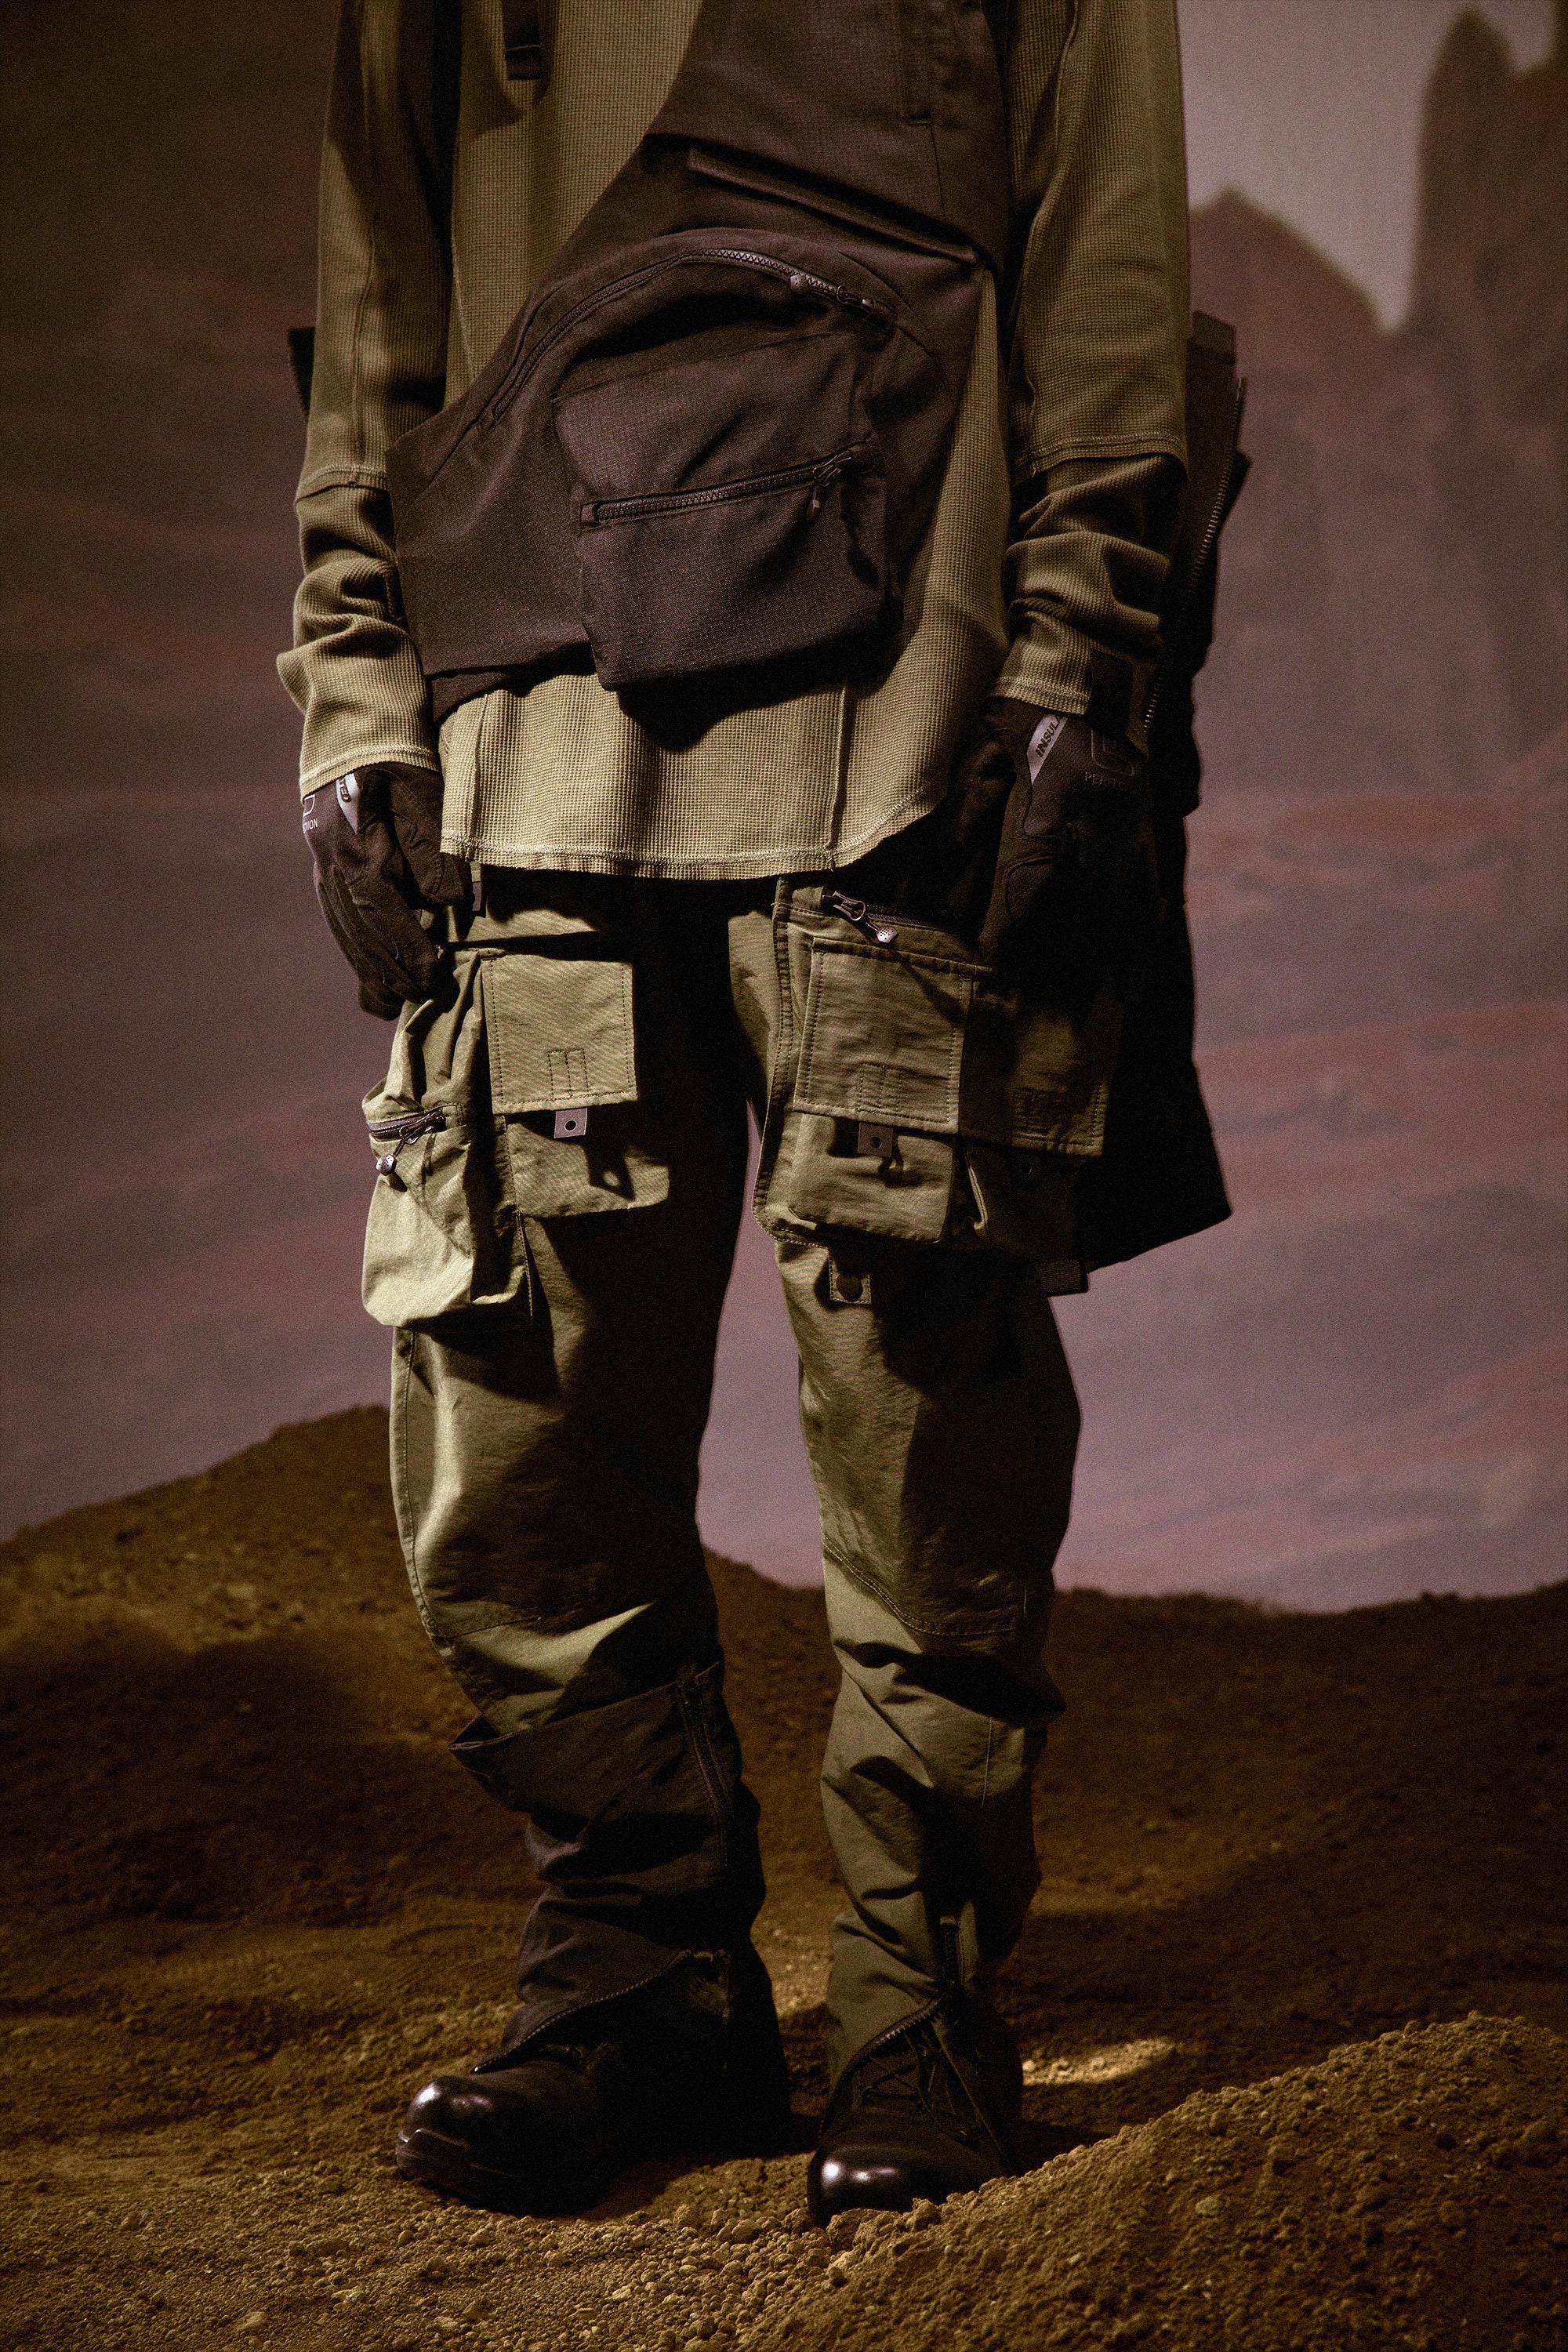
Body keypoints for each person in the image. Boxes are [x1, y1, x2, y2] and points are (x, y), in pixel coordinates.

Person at [283, 0, 1232, 2221]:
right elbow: (378, 292)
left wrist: (1081, 651)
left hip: (907, 744)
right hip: (532, 747)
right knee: (514, 1433)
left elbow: (1103, 266)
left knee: (925, 1443)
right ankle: (640, 1985)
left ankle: (916, 2013)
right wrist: (352, 685)